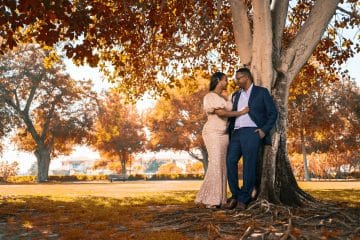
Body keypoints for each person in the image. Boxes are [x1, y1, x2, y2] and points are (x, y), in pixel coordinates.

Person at [225, 68, 278, 210]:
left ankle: (244, 198)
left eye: (239, 78)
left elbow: (273, 113)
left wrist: (263, 130)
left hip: (252, 132)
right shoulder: (236, 95)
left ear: (247, 77)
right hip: (236, 133)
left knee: (249, 164)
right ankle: (235, 195)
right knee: (230, 161)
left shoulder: (261, 92)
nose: (236, 81)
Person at [195, 72, 249, 209]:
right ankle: (212, 200)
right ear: (218, 80)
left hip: (224, 134)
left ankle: (221, 199)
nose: (227, 82)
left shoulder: (225, 97)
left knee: (222, 165)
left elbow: (229, 106)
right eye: (225, 80)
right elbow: (221, 113)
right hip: (212, 132)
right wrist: (241, 113)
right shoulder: (210, 97)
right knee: (216, 163)